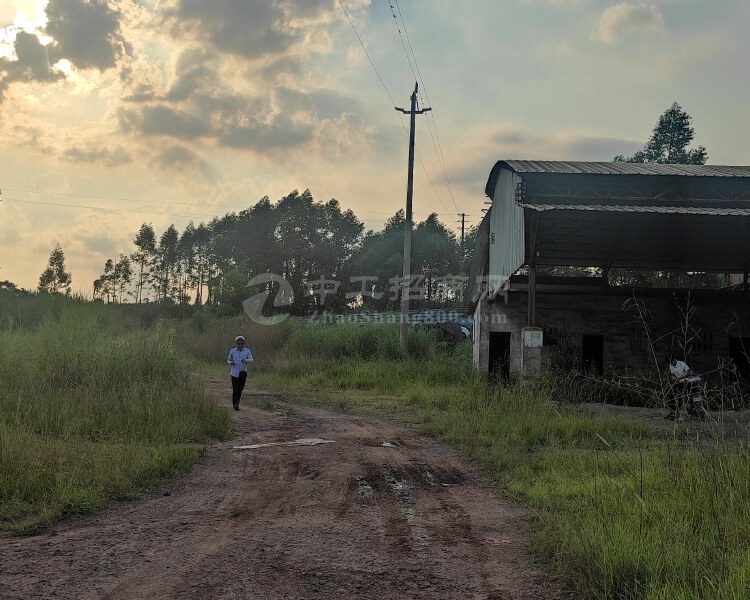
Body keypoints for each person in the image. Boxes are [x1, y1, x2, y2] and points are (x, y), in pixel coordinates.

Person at [227, 335, 253, 410]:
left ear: (244, 343)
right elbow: (228, 360)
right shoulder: (232, 351)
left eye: (241, 343)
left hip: (243, 372)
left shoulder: (247, 351)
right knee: (235, 389)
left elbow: (252, 359)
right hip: (234, 372)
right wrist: (230, 362)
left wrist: (246, 360)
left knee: (240, 389)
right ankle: (235, 405)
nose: (240, 345)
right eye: (239, 343)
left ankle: (237, 402)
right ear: (236, 343)